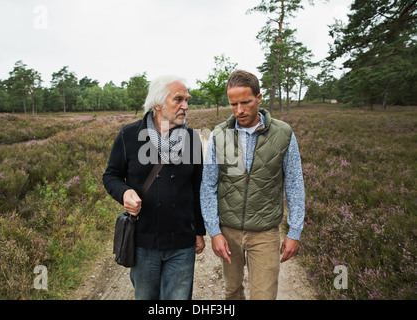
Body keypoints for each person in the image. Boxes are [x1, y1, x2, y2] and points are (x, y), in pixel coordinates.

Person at [200, 70, 305, 300]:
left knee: (264, 296)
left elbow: (295, 184)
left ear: (258, 98)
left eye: (246, 102)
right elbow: (208, 185)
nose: (240, 110)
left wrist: (294, 231)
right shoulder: (219, 134)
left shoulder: (284, 133)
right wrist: (214, 232)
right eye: (233, 104)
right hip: (228, 232)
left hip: (265, 233)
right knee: (232, 292)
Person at [103, 75, 206, 300]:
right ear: (158, 104)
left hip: (182, 243)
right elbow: (111, 176)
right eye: (178, 99)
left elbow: (197, 188)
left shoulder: (191, 139)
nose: (185, 106)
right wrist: (124, 192)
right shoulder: (129, 135)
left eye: (187, 100)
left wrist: (199, 231)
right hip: (143, 243)